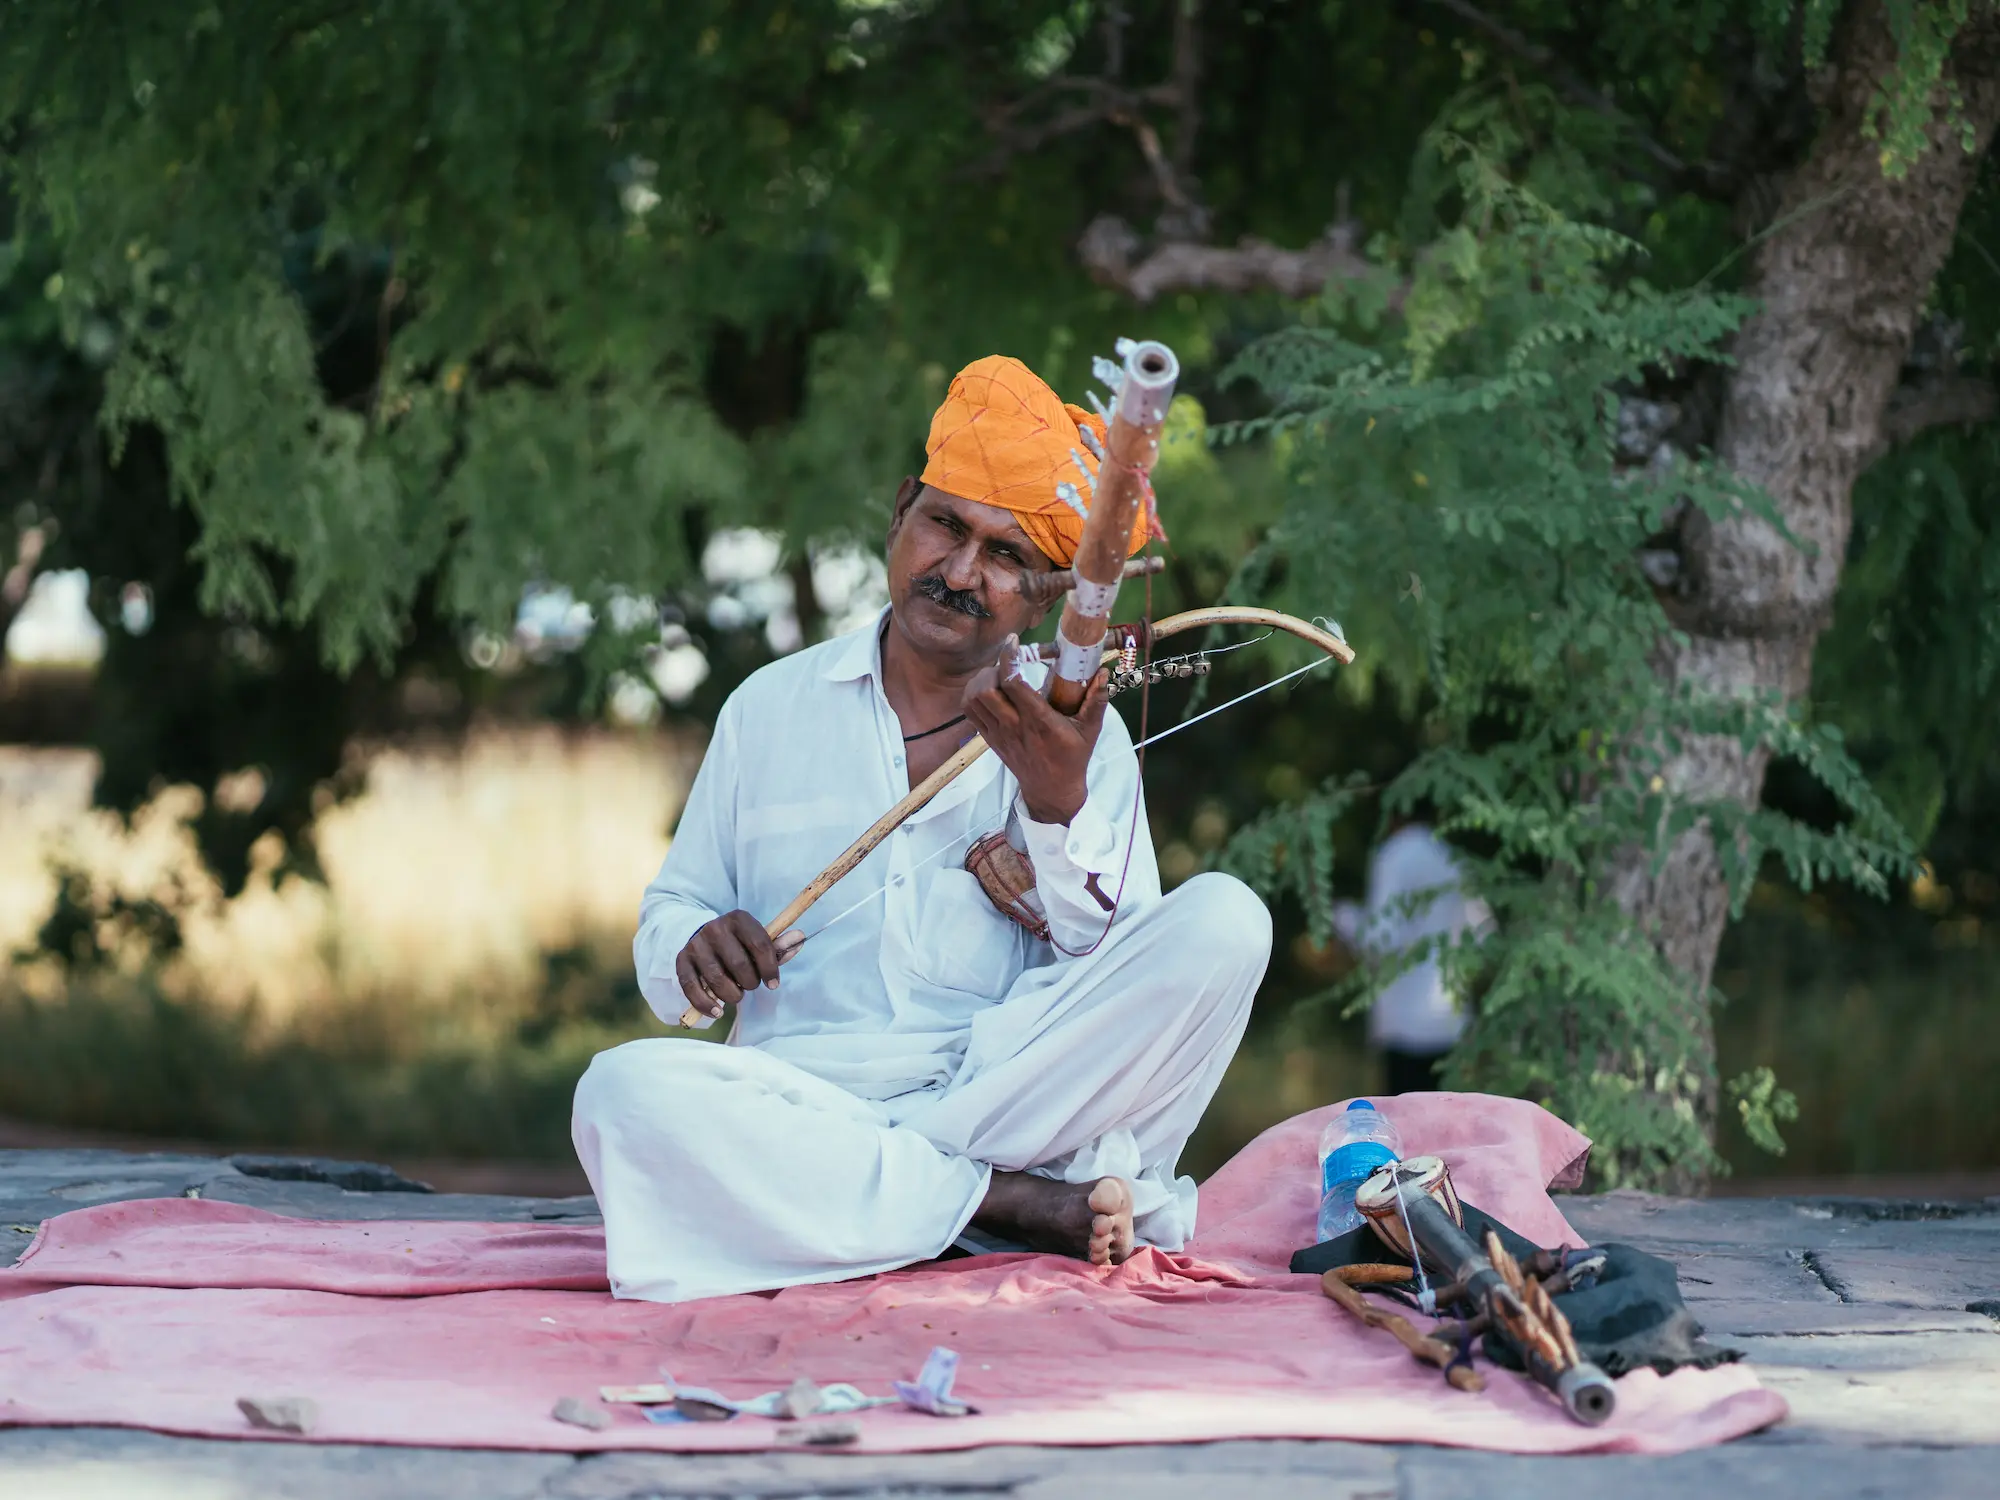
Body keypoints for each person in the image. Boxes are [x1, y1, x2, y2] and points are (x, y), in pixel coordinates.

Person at [572, 356, 1272, 1304]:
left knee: (1230, 921)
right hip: (807, 1097)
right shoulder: (768, 708)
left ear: (1048, 591)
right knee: (622, 1095)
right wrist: (689, 949)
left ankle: (886, 1195)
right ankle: (1000, 1207)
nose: (961, 572)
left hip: (1006, 1096)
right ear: (901, 510)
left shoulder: (1074, 734)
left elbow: (1120, 965)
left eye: (1007, 555)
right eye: (947, 525)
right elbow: (675, 916)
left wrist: (1059, 809)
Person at [1333, 820, 1491, 1094]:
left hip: (1406, 1024)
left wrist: (1343, 917)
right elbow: (1484, 934)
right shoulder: (1448, 855)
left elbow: (1382, 941)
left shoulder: (1396, 855)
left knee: (1404, 1128)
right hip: (1451, 1023)